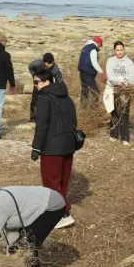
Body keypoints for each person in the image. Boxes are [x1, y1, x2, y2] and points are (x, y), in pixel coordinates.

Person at [31, 68, 78, 229]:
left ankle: (63, 214)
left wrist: (36, 148)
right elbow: (74, 120)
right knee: (62, 183)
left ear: (47, 82)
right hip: (68, 146)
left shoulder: (44, 98)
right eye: (33, 82)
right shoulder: (67, 97)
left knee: (51, 184)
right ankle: (56, 213)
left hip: (52, 148)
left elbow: (41, 126)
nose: (35, 85)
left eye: (37, 82)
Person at [104, 41, 134, 145]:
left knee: (124, 113)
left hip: (125, 90)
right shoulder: (110, 61)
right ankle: (114, 134)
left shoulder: (128, 62)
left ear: (124, 49)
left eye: (121, 50)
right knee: (114, 112)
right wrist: (118, 82)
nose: (120, 52)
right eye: (118, 50)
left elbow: (132, 76)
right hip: (113, 89)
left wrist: (124, 83)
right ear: (115, 51)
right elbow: (110, 76)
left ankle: (125, 138)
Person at [27, 52, 63, 122]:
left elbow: (60, 82)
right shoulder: (37, 63)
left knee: (49, 99)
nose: (51, 65)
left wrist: (55, 89)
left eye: (52, 63)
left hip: (49, 81)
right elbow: (30, 66)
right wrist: (34, 75)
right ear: (44, 62)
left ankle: (49, 116)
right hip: (38, 79)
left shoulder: (55, 69)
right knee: (34, 100)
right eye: (49, 63)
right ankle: (33, 117)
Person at [78, 36, 105, 106]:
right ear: (98, 43)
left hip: (82, 73)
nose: (100, 47)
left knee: (84, 91)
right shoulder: (93, 50)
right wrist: (102, 72)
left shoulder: (85, 48)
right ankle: (93, 108)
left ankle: (83, 108)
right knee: (95, 91)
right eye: (100, 45)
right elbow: (94, 63)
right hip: (88, 74)